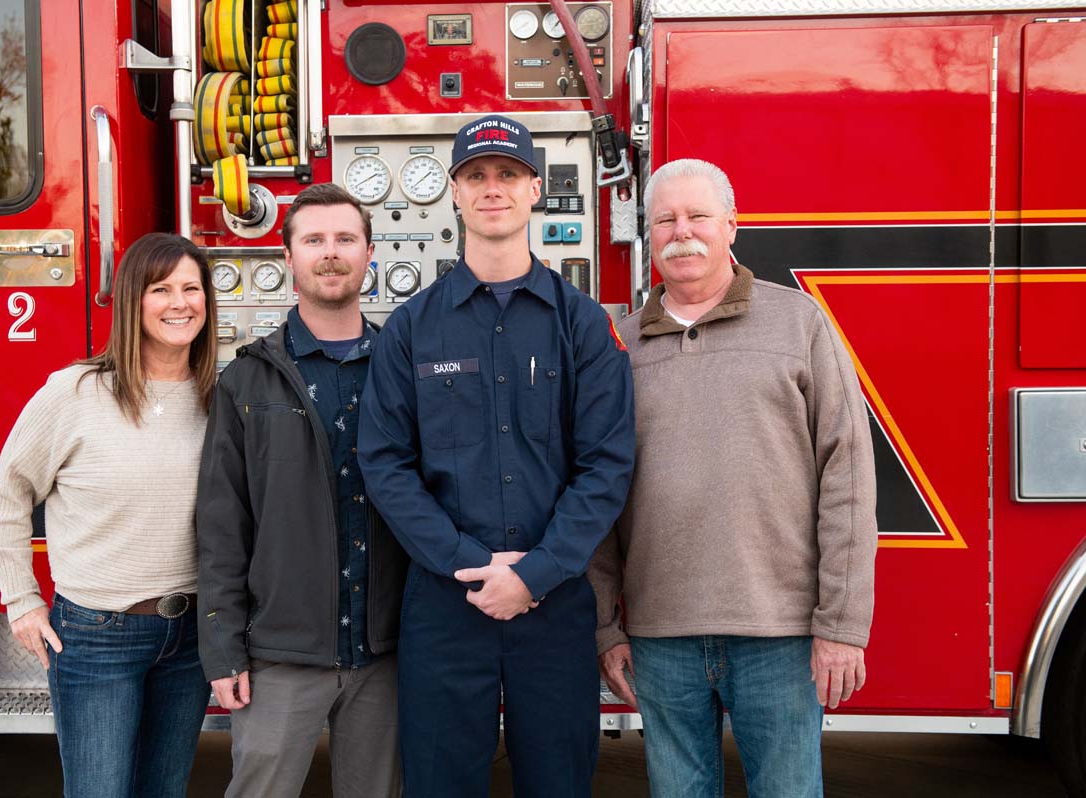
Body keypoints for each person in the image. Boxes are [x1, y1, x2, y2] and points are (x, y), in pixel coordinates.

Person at [357, 114, 636, 798]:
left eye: (507, 174)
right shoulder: (411, 328)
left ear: (535, 188)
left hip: (554, 603)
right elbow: (385, 462)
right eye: (475, 176)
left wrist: (536, 573)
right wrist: (469, 561)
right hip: (447, 606)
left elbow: (607, 464)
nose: (492, 189)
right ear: (453, 193)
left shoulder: (583, 324)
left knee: (558, 783)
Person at [589, 158, 878, 797]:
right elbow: (598, 494)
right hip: (661, 641)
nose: (681, 232)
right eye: (664, 219)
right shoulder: (619, 347)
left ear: (732, 226)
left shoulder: (798, 323)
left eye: (698, 216)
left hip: (780, 637)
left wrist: (842, 625)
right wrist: (606, 628)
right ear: (648, 234)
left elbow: (849, 475)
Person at [0, 232, 218, 798]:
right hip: (96, 636)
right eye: (161, 289)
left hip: (190, 637)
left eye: (192, 288)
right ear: (133, 299)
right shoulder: (76, 393)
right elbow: (7, 498)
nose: (179, 302)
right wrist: (21, 600)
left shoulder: (222, 397)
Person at [196, 182, 407, 798]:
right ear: (287, 259)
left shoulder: (404, 369)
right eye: (313, 240)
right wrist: (223, 649)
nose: (330, 252)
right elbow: (221, 528)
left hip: (383, 654)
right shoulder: (245, 381)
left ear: (370, 254)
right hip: (280, 657)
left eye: (345, 238)